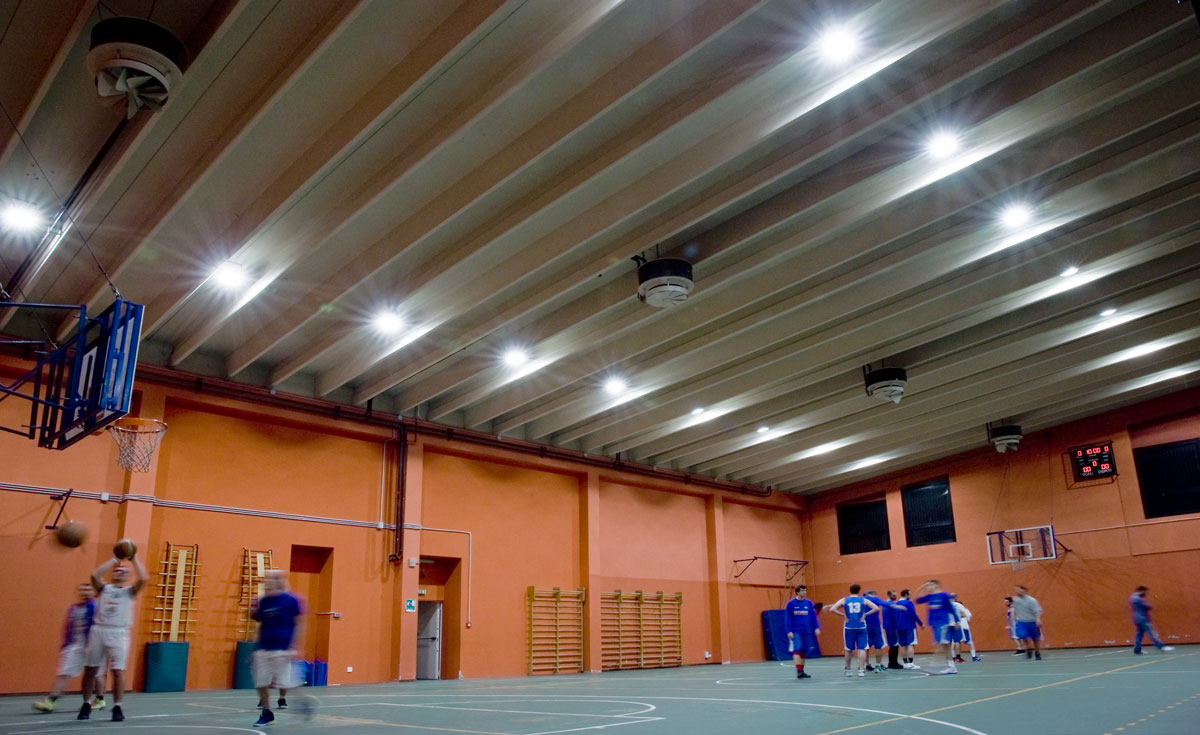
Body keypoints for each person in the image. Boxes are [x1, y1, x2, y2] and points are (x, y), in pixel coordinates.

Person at [79, 554, 147, 722]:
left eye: (125, 570)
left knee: (118, 671)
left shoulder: (129, 591)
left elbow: (144, 578)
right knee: (90, 670)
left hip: (119, 633)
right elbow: (94, 575)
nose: (120, 570)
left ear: (129, 576)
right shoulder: (104, 588)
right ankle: (86, 703)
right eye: (118, 569)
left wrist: (134, 559)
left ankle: (117, 706)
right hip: (99, 630)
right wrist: (115, 559)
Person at [33, 584, 107, 713]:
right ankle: (51, 701)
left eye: (88, 590)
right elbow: (68, 627)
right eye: (82, 590)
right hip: (75, 646)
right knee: (64, 673)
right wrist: (66, 644)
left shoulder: (96, 608)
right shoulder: (74, 609)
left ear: (93, 593)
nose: (85, 592)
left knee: (97, 674)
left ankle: (100, 699)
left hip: (93, 646)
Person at [252, 569, 304, 728]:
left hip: (282, 648)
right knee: (261, 682)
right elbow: (257, 618)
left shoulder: (291, 600)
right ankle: (267, 713)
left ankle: (300, 702)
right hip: (263, 648)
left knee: (284, 683)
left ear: (279, 581)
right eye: (266, 579)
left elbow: (300, 623)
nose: (268, 581)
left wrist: (295, 645)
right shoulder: (263, 601)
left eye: (272, 579)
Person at [828, 584, 880, 678]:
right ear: (859, 591)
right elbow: (876, 608)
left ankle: (848, 669)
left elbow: (832, 609)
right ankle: (861, 670)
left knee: (848, 649)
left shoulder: (844, 600)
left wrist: (843, 615)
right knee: (862, 648)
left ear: (850, 590)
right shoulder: (863, 600)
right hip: (861, 626)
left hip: (849, 626)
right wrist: (865, 614)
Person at [915, 579, 961, 674]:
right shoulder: (930, 596)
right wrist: (921, 588)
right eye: (927, 586)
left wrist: (957, 620)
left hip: (943, 623)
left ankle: (934, 665)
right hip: (934, 624)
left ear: (935, 585)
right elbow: (917, 600)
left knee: (939, 644)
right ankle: (951, 667)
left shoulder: (944, 595)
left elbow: (951, 608)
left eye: (929, 585)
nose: (927, 587)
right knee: (946, 647)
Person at [784, 584, 820, 679]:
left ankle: (802, 670)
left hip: (806, 631)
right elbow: (787, 618)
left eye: (805, 590)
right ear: (797, 592)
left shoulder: (808, 603)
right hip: (796, 631)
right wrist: (789, 631)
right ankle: (799, 671)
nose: (805, 592)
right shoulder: (791, 604)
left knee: (804, 650)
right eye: (803, 591)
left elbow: (813, 617)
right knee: (797, 649)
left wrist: (816, 627)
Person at [1130, 586, 1174, 655]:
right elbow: (1146, 606)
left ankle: (1137, 650)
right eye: (1145, 592)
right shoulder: (1138, 598)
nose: (1146, 593)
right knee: (1152, 633)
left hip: (1136, 619)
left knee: (1139, 634)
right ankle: (1161, 647)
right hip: (1143, 618)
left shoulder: (1132, 597)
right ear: (1142, 591)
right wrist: (1149, 606)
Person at [892, 588, 923, 669]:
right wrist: (921, 623)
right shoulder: (908, 603)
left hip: (899, 627)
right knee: (910, 644)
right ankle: (911, 663)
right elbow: (913, 614)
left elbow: (894, 617)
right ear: (906, 595)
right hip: (909, 626)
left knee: (902, 645)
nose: (911, 595)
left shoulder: (896, 603)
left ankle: (905, 663)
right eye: (909, 594)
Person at [1011, 585, 1043, 660]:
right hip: (1022, 622)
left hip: (1032, 621)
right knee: (1022, 635)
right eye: (1016, 590)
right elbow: (1010, 605)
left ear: (1024, 591)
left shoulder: (1032, 600)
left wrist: (1038, 619)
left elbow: (1038, 610)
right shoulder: (1015, 600)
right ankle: (1029, 647)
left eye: (1020, 590)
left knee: (1035, 639)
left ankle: (1037, 652)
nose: (1018, 592)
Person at [862, 589, 890, 672]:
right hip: (875, 625)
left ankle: (867, 664)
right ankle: (878, 665)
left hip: (864, 625)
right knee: (878, 646)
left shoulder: (861, 599)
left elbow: (843, 604)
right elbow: (886, 604)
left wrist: (829, 606)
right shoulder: (875, 599)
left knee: (865, 646)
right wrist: (897, 605)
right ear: (873, 594)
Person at [950, 595, 979, 662]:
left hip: (954, 626)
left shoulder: (951, 607)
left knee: (954, 643)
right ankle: (973, 657)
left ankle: (954, 657)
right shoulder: (963, 609)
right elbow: (968, 618)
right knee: (969, 642)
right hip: (963, 627)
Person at [882, 589, 904, 669]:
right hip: (892, 627)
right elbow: (895, 617)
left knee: (893, 645)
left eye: (896, 595)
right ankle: (893, 663)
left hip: (889, 626)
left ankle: (892, 662)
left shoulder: (886, 604)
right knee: (894, 645)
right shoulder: (890, 604)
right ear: (888, 595)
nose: (895, 597)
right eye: (894, 595)